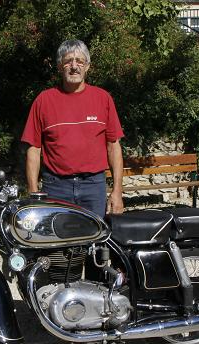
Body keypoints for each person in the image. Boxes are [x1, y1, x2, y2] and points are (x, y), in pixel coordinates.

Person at [21, 39, 124, 217]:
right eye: (68, 61)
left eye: (80, 61)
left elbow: (114, 147)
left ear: (87, 66)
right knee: (55, 235)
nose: (74, 66)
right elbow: (34, 150)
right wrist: (33, 193)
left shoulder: (103, 99)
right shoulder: (44, 101)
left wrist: (117, 191)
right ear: (59, 66)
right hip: (56, 187)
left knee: (95, 234)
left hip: (93, 186)